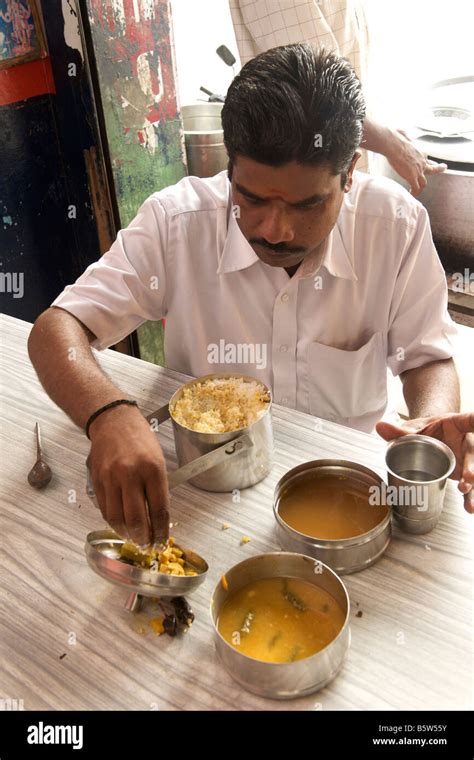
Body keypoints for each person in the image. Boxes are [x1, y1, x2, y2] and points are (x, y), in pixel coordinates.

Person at [28, 45, 473, 548]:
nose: (275, 230)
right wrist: (108, 414)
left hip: (346, 499)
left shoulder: (394, 226)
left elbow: (426, 356)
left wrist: (428, 423)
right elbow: (55, 331)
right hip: (204, 499)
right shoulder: (178, 224)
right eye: (252, 198)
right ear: (230, 165)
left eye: (307, 204)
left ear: (349, 173)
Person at [229, 0, 447, 195]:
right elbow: (319, 96)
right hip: (306, 186)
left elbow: (341, 83)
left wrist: (378, 132)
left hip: (340, 176)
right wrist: (392, 144)